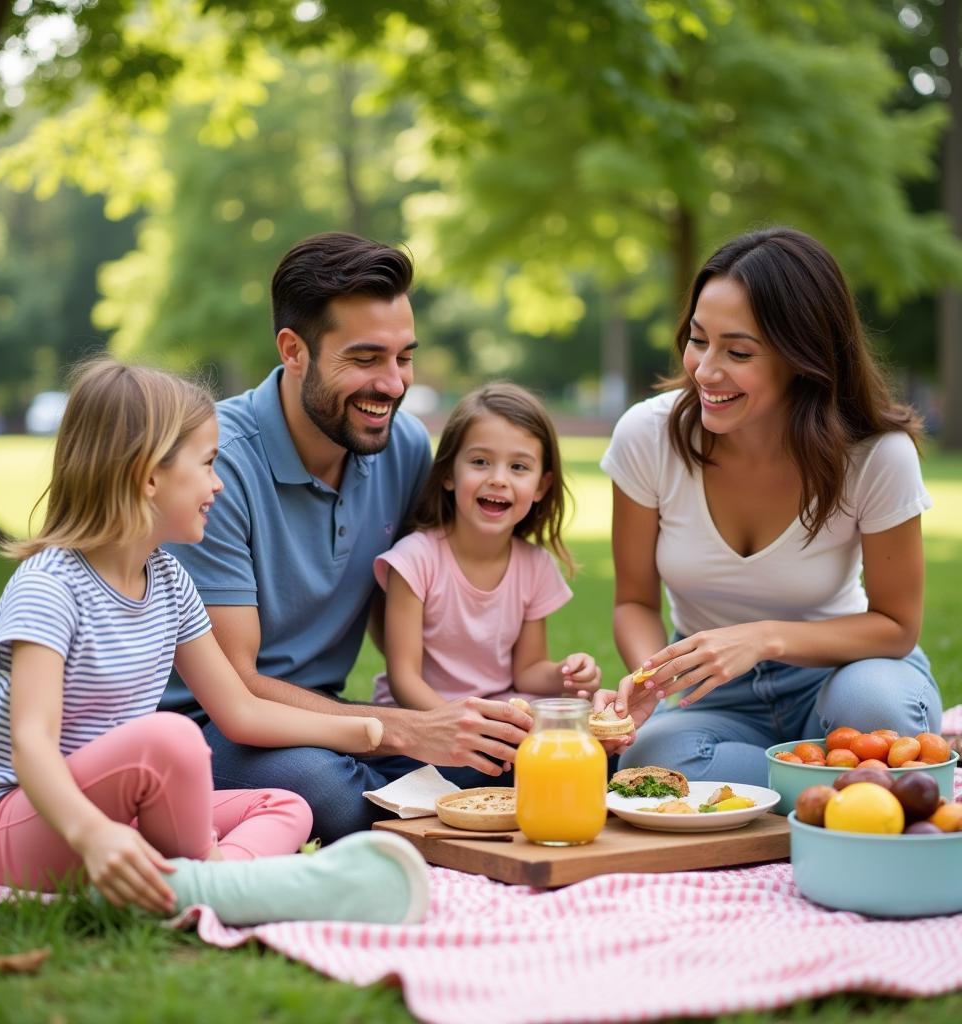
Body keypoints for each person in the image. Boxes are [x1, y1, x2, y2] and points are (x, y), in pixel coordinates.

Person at [0, 360, 428, 926]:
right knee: (169, 738)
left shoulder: (170, 582)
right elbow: (31, 745)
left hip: (113, 812)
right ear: (150, 478)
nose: (218, 483)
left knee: (284, 805)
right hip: (3, 825)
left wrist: (363, 731)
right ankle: (231, 885)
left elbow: (240, 710)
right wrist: (93, 834)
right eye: (207, 464)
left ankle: (205, 885)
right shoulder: (50, 586)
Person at [161, 233, 531, 843]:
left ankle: (411, 798)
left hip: (333, 722)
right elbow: (237, 684)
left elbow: (414, 607)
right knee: (328, 790)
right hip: (209, 727)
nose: (391, 384)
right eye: (365, 360)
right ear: (294, 350)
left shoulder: (403, 446)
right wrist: (407, 731)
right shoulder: (216, 465)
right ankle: (403, 801)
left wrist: (494, 712)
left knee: (503, 762)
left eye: (403, 357)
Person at [595, 226, 942, 785]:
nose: (705, 370)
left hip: (842, 673)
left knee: (878, 710)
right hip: (712, 691)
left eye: (737, 352)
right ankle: (842, 783)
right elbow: (634, 601)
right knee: (654, 764)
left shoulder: (877, 456)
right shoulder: (647, 435)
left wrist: (763, 638)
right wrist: (652, 677)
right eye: (697, 339)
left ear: (802, 357)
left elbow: (897, 625)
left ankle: (816, 782)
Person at [372, 382, 601, 711]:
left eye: (518, 467)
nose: (498, 479)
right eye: (480, 462)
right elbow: (404, 679)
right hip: (423, 719)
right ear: (449, 473)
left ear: (541, 485)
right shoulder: (414, 560)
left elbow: (528, 673)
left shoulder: (534, 565)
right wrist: (459, 727)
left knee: (592, 743)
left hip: (498, 715)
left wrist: (566, 674)